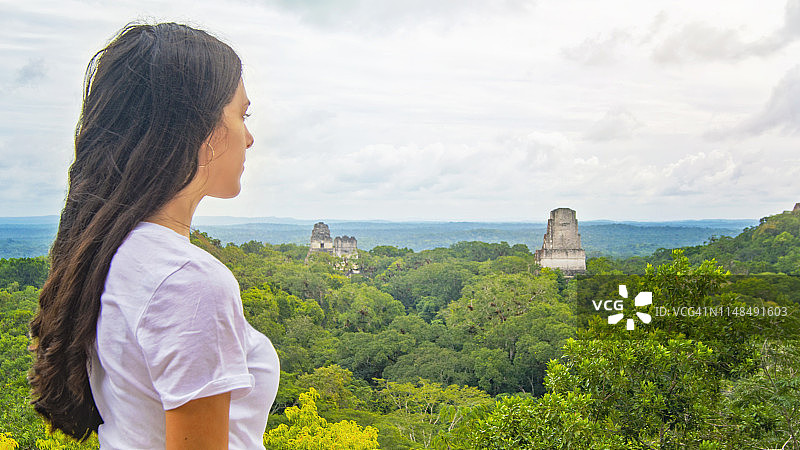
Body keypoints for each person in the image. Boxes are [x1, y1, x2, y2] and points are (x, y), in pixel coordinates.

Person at [28, 22, 280, 449]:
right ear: (202, 129)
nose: (250, 137)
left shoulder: (113, 254)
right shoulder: (188, 281)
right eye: (242, 114)